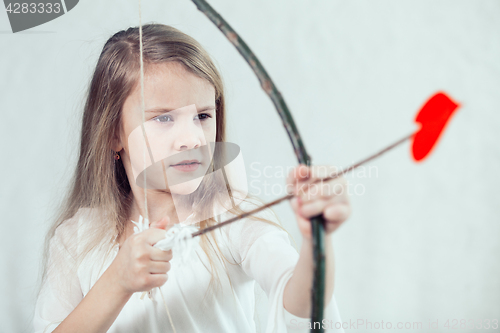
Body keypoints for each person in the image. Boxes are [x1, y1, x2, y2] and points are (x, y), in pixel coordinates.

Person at [34, 23, 351, 333]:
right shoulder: (76, 239)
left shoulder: (233, 217)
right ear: (114, 133)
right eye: (163, 118)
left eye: (202, 116)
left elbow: (302, 305)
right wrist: (117, 281)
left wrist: (316, 241)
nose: (191, 139)